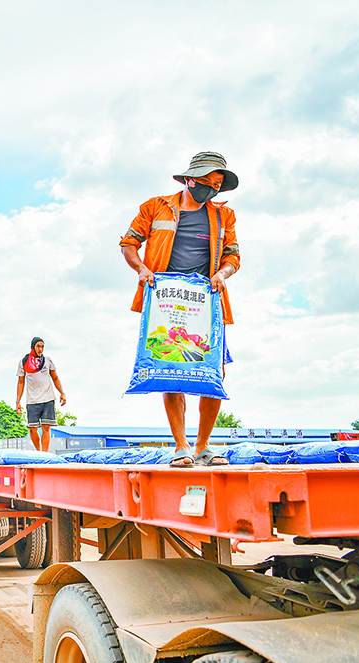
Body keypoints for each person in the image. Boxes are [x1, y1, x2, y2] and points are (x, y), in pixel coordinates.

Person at [120, 151, 241, 467]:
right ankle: (181, 446)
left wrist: (221, 275)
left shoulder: (223, 217)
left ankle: (203, 445)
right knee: (171, 369)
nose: (211, 189)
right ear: (190, 179)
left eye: (217, 184)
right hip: (166, 302)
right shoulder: (156, 207)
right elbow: (129, 243)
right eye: (206, 182)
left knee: (212, 371)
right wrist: (142, 270)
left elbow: (233, 258)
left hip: (206, 303)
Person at [15, 337, 67, 452]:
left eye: (42, 346)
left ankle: (45, 453)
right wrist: (18, 402)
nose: (40, 349)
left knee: (46, 427)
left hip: (48, 398)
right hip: (32, 400)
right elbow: (20, 382)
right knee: (33, 428)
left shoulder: (48, 360)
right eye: (38, 346)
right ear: (33, 346)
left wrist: (62, 393)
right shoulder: (24, 362)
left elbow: (55, 377)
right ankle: (38, 451)